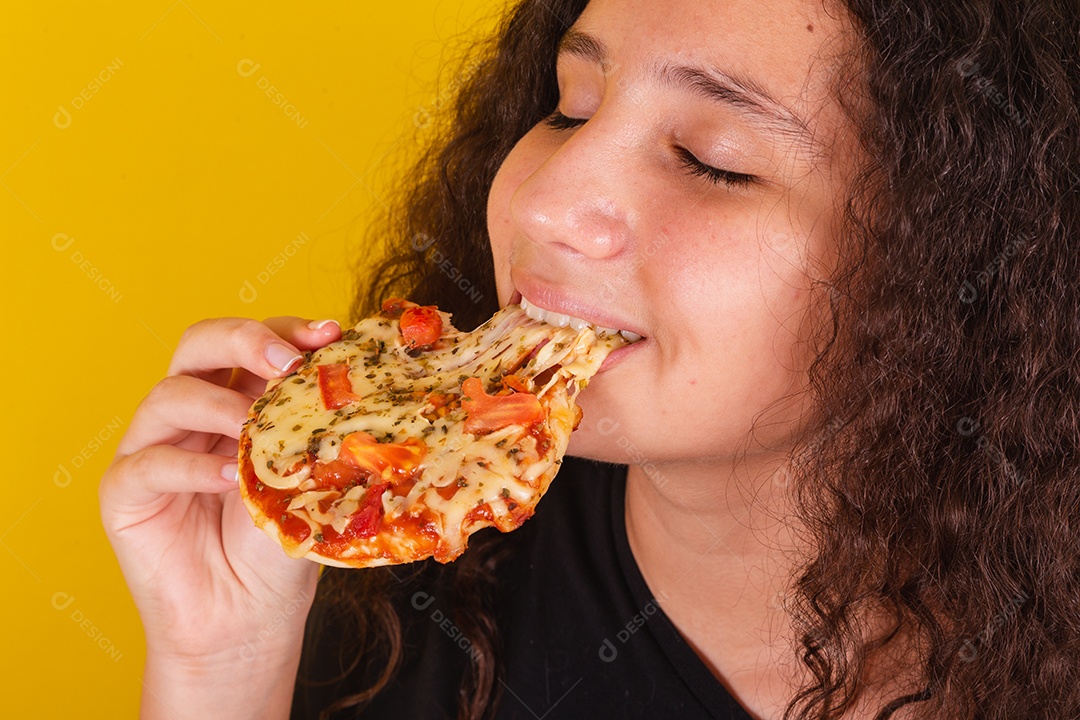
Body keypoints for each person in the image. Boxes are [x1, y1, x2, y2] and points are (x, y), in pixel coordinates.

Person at [99, 0, 1080, 717]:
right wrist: (218, 670)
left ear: (961, 265)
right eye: (569, 106)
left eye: (712, 159)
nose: (542, 202)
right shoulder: (408, 591)